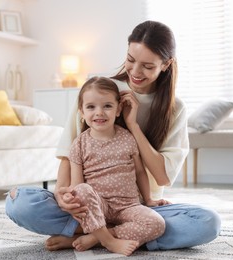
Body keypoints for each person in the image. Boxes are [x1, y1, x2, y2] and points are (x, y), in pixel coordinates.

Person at [5, 20, 221, 251]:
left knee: (207, 222)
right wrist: (61, 195)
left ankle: (94, 236)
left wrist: (133, 126)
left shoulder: (174, 108)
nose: (136, 72)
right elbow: (69, 155)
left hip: (137, 207)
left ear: (166, 64)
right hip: (88, 203)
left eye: (148, 66)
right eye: (130, 60)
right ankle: (120, 234)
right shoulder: (99, 91)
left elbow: (163, 177)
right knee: (19, 203)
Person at [65, 76, 168, 255]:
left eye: (107, 106)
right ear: (81, 111)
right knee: (80, 189)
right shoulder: (79, 143)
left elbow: (140, 172)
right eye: (91, 107)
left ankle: (97, 238)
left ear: (118, 109)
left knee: (158, 224)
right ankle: (110, 242)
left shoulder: (128, 138)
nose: (99, 112)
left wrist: (149, 199)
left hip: (128, 206)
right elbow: (77, 184)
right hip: (97, 206)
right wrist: (72, 199)